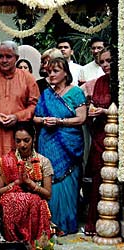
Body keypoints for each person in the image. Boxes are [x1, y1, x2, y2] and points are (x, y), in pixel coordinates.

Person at [34, 57, 87, 235]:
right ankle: (50, 225)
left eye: (55, 71)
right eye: (49, 72)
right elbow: (35, 117)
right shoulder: (47, 94)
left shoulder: (76, 92)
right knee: (48, 178)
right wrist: (44, 120)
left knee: (68, 181)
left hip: (68, 144)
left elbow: (81, 118)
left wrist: (59, 121)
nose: (51, 75)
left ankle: (66, 225)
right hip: (47, 142)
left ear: (66, 73)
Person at [0, 41, 40, 185]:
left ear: (16, 58)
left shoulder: (27, 78)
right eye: (0, 56)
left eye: (8, 56)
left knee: (19, 170)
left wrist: (17, 117)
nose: (4, 60)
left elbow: (35, 105)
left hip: (19, 135)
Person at [0, 121, 53, 246]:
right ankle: (13, 242)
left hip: (35, 203)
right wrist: (16, 183)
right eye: (18, 141)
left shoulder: (43, 161)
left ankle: (31, 242)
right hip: (12, 203)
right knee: (9, 200)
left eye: (26, 140)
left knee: (32, 201)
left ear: (34, 139)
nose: (22, 145)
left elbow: (48, 194)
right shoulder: (6, 161)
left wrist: (30, 184)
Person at [84, 47, 114, 235]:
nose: (105, 65)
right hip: (100, 136)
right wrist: (93, 109)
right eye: (102, 62)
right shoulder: (100, 82)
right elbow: (94, 104)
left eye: (109, 61)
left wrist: (107, 112)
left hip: (117, 135)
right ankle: (95, 224)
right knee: (98, 179)